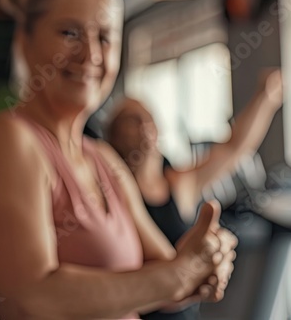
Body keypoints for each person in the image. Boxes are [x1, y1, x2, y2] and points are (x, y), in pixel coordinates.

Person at [0, 0, 238, 319]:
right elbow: (30, 299)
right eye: (69, 33)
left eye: (105, 37)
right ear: (25, 41)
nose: (90, 55)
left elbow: (170, 279)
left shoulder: (102, 159)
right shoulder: (8, 141)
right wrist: (180, 275)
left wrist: (208, 259)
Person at [105, 71, 282, 320]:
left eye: (149, 119)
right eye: (133, 120)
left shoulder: (179, 184)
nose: (144, 126)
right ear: (114, 134)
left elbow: (234, 149)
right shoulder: (109, 191)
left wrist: (266, 98)